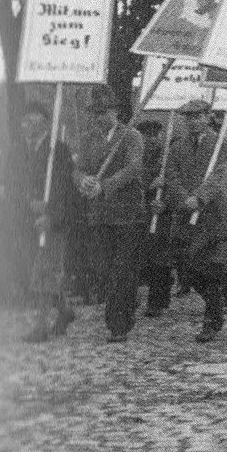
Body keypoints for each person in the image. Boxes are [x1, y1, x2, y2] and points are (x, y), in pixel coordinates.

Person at [73, 86, 146, 344]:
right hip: (99, 215)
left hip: (128, 214)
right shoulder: (88, 138)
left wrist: (104, 186)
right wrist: (82, 180)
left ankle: (118, 323)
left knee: (122, 269)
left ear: (115, 112)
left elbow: (133, 168)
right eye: (95, 113)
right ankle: (127, 301)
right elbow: (78, 168)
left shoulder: (131, 136)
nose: (99, 117)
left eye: (104, 112)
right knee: (104, 267)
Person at [163, 98, 227, 343]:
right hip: (187, 215)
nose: (193, 122)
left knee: (211, 269)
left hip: (215, 215)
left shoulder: (222, 144)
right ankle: (215, 303)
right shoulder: (177, 147)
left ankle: (212, 320)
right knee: (189, 269)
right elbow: (171, 176)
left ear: (208, 117)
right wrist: (184, 198)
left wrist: (200, 197)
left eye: (198, 117)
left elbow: (219, 176)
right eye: (189, 118)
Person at [18, 102, 78, 342]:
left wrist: (51, 215)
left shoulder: (58, 150)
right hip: (31, 220)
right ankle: (65, 310)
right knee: (40, 271)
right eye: (24, 122)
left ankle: (41, 326)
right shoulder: (26, 148)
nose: (25, 126)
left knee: (44, 271)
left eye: (31, 122)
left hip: (54, 221)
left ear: (44, 123)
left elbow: (63, 189)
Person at [139, 118, 174, 317]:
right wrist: (148, 186)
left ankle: (158, 301)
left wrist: (165, 201)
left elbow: (177, 184)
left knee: (160, 259)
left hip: (161, 215)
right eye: (147, 135)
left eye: (155, 135)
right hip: (139, 213)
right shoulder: (136, 157)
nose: (151, 139)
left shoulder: (167, 159)